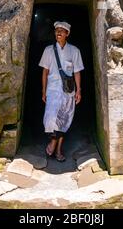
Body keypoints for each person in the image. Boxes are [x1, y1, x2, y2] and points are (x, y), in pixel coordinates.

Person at [39, 20, 84, 162]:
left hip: (68, 92)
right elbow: (45, 72)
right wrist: (43, 91)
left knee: (63, 121)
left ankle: (58, 150)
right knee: (51, 119)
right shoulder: (48, 50)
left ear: (67, 34)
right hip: (52, 91)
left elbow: (77, 72)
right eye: (56, 30)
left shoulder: (74, 51)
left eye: (62, 30)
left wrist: (79, 91)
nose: (58, 32)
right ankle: (53, 143)